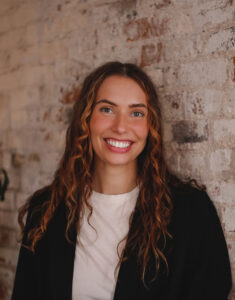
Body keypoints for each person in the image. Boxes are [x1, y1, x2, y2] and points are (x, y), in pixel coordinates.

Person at [12, 62, 232, 300]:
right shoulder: (46, 210)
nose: (120, 127)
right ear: (86, 118)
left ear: (151, 126)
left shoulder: (190, 212)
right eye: (107, 109)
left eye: (136, 113)